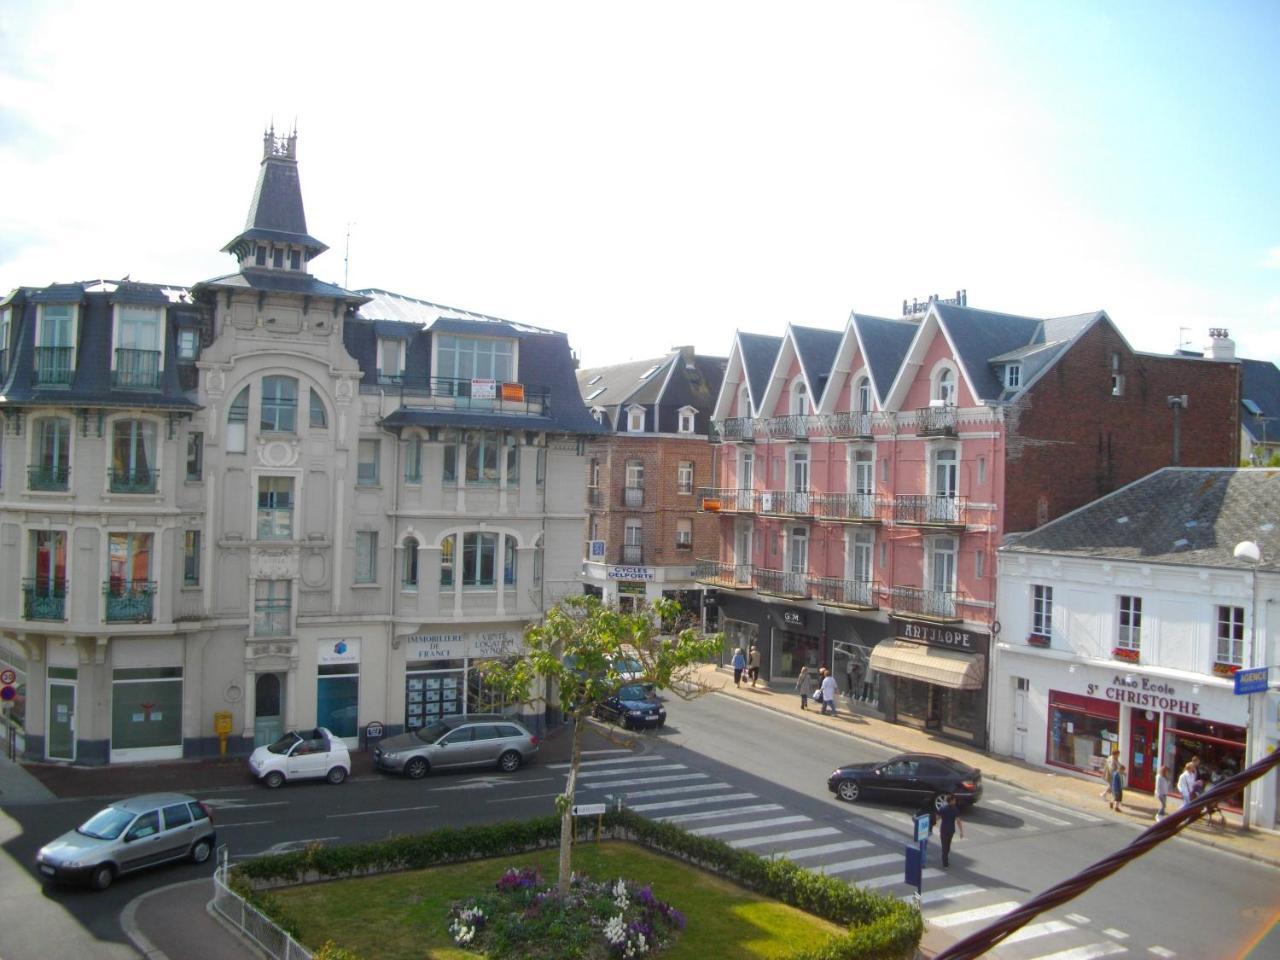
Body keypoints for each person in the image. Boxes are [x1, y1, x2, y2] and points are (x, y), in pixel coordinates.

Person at [937, 794, 964, 868]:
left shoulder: (942, 809)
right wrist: (961, 831)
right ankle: (945, 860)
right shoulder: (955, 809)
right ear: (951, 801)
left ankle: (945, 862)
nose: (955, 801)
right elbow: (958, 821)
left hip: (943, 830)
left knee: (944, 846)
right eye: (954, 800)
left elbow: (937, 818)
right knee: (948, 845)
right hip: (951, 830)